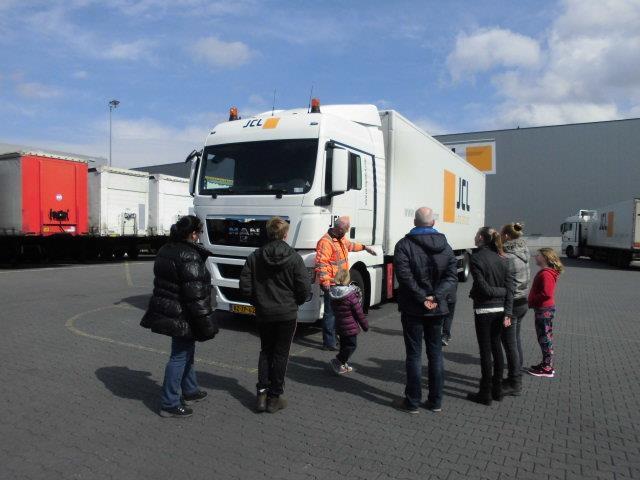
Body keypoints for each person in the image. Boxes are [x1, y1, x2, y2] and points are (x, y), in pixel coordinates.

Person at [140, 215, 219, 418]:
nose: (200, 236)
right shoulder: (189, 255)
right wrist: (206, 321)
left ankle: (190, 390)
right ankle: (169, 402)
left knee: (186, 351)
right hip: (183, 313)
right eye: (199, 232)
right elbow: (195, 294)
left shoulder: (166, 249)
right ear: (193, 233)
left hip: (171, 310)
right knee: (179, 356)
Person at [239, 217, 310, 413]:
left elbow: (245, 286)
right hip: (286, 313)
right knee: (281, 354)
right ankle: (274, 397)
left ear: (268, 233)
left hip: (264, 312)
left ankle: (261, 394)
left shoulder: (255, 256)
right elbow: (304, 287)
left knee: (266, 351)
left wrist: (258, 302)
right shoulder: (294, 258)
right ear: (285, 234)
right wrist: (296, 302)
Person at [392, 207, 458, 413]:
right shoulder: (446, 246)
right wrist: (436, 297)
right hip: (437, 310)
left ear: (414, 222)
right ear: (434, 223)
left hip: (413, 308)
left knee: (413, 355)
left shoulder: (403, 245)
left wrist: (423, 298)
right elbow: (451, 277)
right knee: (436, 354)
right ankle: (436, 401)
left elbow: (404, 277)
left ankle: (412, 402)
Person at [467, 227, 515, 406]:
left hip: (484, 310)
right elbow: (510, 289)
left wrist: (500, 293)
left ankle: (485, 393)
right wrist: (508, 312)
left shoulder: (477, 258)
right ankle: (498, 390)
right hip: (501, 310)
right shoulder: (504, 259)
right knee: (497, 348)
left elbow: (484, 289)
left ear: (480, 237)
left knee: (486, 351)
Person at [315, 216, 377, 350]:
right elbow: (321, 263)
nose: (347, 231)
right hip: (332, 283)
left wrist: (365, 247)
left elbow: (351, 246)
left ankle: (334, 338)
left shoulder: (340, 238)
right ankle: (329, 343)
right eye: (345, 229)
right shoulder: (325, 242)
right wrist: (325, 281)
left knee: (339, 312)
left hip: (341, 281)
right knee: (330, 313)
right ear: (338, 228)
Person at [500, 222, 531, 395]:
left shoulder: (509, 256)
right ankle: (515, 375)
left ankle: (514, 382)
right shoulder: (524, 251)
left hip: (512, 304)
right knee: (515, 341)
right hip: (523, 302)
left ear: (505, 236)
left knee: (509, 344)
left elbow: (507, 283)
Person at [527, 248, 564, 378]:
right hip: (544, 309)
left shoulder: (546, 274)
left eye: (538, 255)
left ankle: (547, 368)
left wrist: (531, 300)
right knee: (544, 337)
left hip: (544, 310)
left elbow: (546, 293)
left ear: (544, 257)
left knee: (545, 338)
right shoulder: (546, 272)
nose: (535, 257)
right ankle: (545, 363)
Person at [328, 269, 369, 375]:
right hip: (350, 326)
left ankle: (343, 365)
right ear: (347, 280)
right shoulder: (351, 295)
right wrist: (365, 326)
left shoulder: (332, 293)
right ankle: (337, 361)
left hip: (339, 324)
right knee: (351, 346)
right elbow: (359, 312)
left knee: (343, 345)